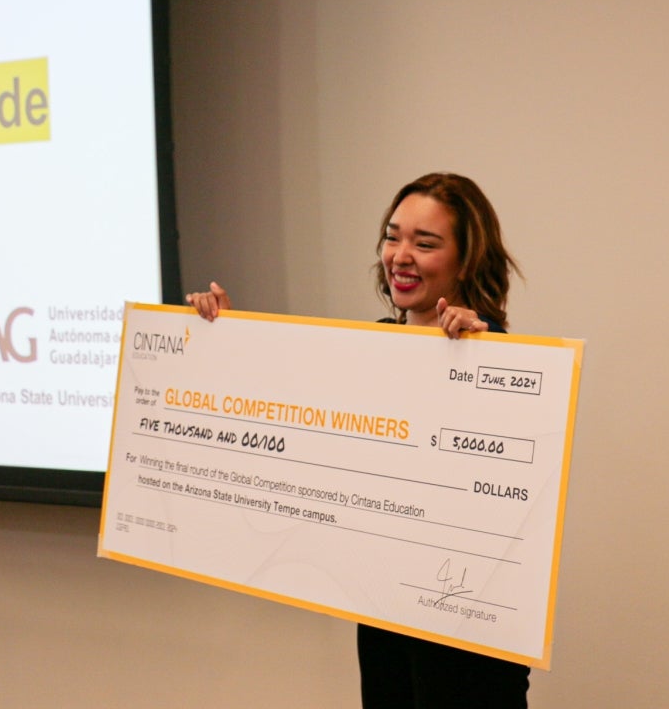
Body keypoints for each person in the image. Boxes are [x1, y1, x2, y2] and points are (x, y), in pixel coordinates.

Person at [186, 172, 528, 708]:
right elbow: (288, 430)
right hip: (386, 618)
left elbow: (507, 492)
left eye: (426, 242)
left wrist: (481, 354)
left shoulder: (507, 360)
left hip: (468, 638)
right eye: (393, 237)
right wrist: (226, 342)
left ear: (465, 260)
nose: (401, 255)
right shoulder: (369, 348)